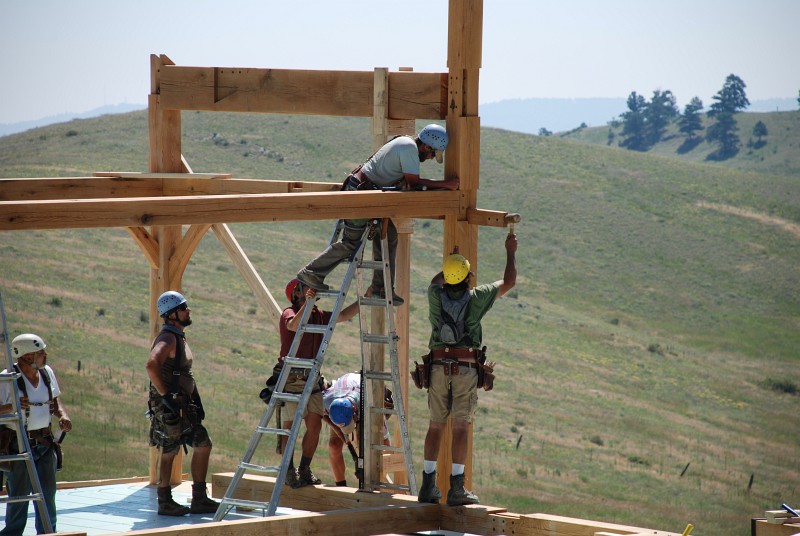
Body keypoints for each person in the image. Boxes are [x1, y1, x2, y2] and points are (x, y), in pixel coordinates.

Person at [297, 124, 460, 305]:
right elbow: (413, 184)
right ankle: (311, 272)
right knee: (351, 244)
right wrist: (446, 184)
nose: (430, 158)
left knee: (388, 236)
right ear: (427, 146)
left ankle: (380, 288)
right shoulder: (408, 148)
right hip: (361, 196)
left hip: (370, 197)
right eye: (432, 154)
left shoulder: (406, 144)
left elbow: (408, 184)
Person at [417, 232, 517, 506]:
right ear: (468, 277)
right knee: (460, 427)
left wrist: (450, 263)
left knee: (435, 426)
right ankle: (457, 488)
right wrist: (510, 251)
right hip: (465, 369)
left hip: (437, 368)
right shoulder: (478, 297)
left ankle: (428, 485)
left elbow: (436, 281)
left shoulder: (434, 295)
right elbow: (509, 281)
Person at [274, 280, 359, 488]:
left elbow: (345, 315)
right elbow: (293, 325)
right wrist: (308, 304)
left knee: (314, 425)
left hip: (312, 377)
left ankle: (304, 469)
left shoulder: (319, 315)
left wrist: (363, 299)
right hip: (292, 377)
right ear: (296, 293)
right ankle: (288, 471)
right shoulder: (289, 312)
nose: (312, 290)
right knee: (290, 427)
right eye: (306, 288)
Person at [145, 291, 219, 517]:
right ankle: (165, 500)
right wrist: (166, 396)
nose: (189, 311)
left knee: (202, 443)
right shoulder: (168, 338)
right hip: (171, 404)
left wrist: (196, 399)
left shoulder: (177, 336)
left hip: (182, 403)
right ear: (172, 315)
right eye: (184, 308)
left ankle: (199, 498)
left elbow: (185, 373)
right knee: (169, 448)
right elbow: (151, 365)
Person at [0, 333, 72, 535]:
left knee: (48, 495)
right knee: (19, 496)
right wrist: (10, 406)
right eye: (39, 352)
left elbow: (54, 400)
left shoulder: (47, 373)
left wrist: (63, 416)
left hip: (44, 443)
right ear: (26, 356)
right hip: (19, 445)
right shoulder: (7, 378)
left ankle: (48, 532)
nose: (44, 355)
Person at [321, 372, 392, 487]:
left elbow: (386, 443)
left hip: (365, 398)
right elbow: (321, 414)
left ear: (354, 411)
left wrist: (373, 466)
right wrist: (339, 432)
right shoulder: (327, 400)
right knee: (334, 445)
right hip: (344, 392)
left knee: (363, 441)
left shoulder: (371, 404)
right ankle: (341, 486)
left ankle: (373, 484)